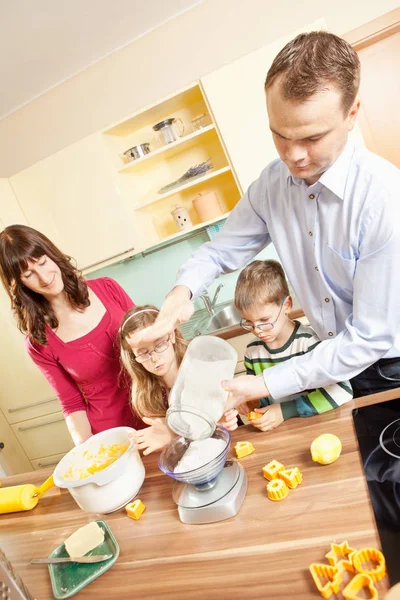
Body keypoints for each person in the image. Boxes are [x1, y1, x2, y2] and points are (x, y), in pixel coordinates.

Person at [129, 31, 400, 407]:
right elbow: (219, 252)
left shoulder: (382, 198)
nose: (293, 155)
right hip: (331, 359)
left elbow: (370, 338)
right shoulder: (272, 185)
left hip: (390, 364)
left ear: (352, 113)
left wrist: (266, 384)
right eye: (279, 135)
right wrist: (181, 295)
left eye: (311, 137)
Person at [0, 224, 146, 445]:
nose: (44, 277)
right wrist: (86, 450)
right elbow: (71, 402)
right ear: (19, 284)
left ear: (51, 254)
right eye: (29, 274)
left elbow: (150, 344)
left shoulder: (108, 288)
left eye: (42, 262)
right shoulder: (39, 342)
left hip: (156, 415)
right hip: (113, 437)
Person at [233, 260, 353, 431]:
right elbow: (264, 400)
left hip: (320, 428)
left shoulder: (307, 342)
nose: (257, 330)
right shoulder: (253, 352)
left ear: (287, 305)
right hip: (284, 436)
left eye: (264, 320)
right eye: (249, 323)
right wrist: (250, 402)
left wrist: (284, 411)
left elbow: (342, 390)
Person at [119, 305, 239, 454]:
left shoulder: (202, 372)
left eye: (160, 344)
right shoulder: (148, 396)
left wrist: (220, 422)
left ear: (172, 336)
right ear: (133, 357)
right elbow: (179, 443)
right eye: (143, 353)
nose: (155, 358)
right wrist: (168, 437)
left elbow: (218, 421)